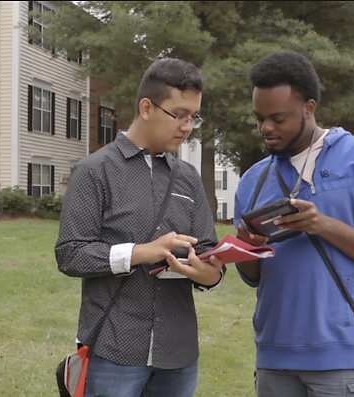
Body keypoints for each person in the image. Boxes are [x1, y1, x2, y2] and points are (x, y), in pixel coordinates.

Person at [233, 51, 354, 397]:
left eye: (278, 118)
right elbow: (252, 278)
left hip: (345, 358)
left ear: (309, 108)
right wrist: (248, 248)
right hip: (274, 357)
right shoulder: (253, 179)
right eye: (260, 118)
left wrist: (321, 224)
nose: (266, 128)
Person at [55, 57, 226, 397]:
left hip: (178, 352)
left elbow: (210, 256)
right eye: (179, 115)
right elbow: (70, 254)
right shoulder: (95, 171)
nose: (188, 126)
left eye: (194, 117)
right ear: (146, 107)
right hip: (113, 348)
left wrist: (207, 272)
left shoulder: (188, 178)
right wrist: (140, 253)